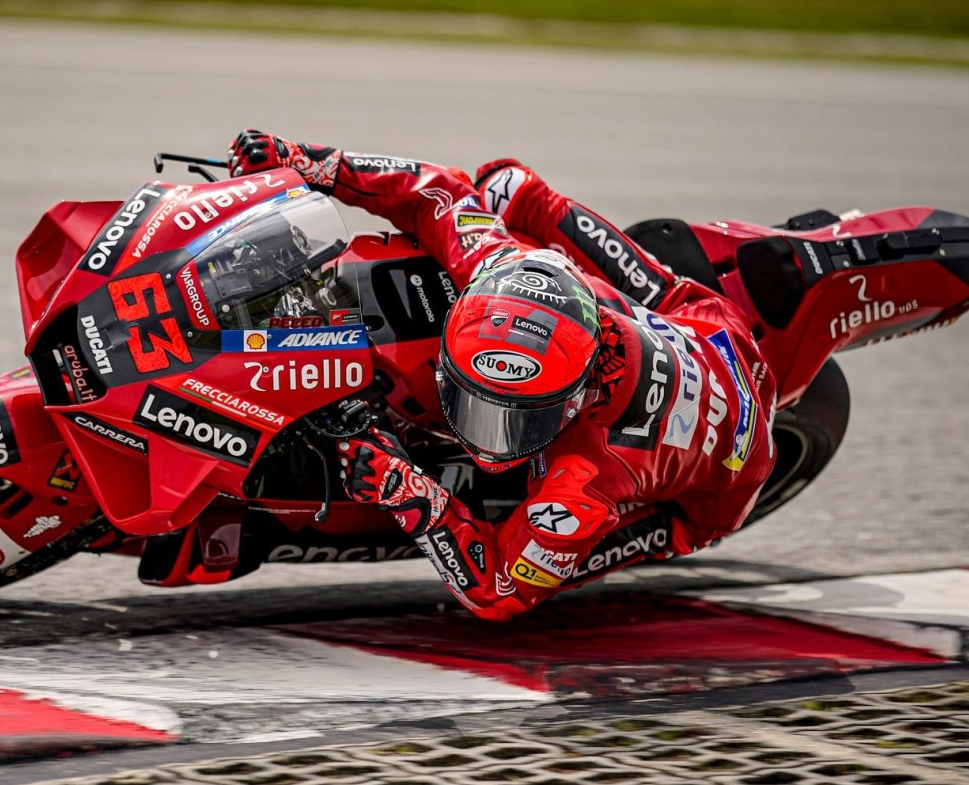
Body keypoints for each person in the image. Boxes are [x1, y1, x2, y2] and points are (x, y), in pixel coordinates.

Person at [227, 130, 778, 621]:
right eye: (474, 404)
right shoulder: (493, 267)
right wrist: (311, 164)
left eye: (516, 418)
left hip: (725, 482)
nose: (484, 435)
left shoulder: (585, 482)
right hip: (705, 326)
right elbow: (437, 190)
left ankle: (669, 536)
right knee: (506, 186)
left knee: (621, 543)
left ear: (572, 400)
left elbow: (496, 593)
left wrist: (411, 493)